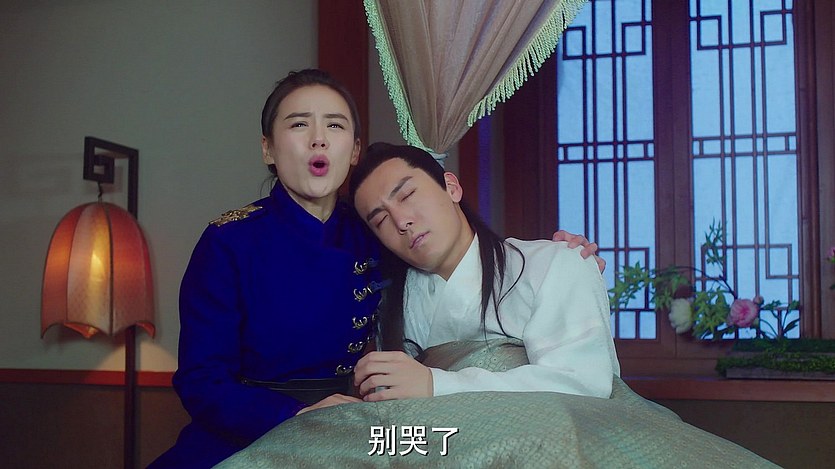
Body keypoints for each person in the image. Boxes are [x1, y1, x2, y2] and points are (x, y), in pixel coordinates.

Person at [151, 69, 602, 468]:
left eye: (335, 124)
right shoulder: (230, 240)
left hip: (365, 424)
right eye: (298, 124)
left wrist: (560, 258)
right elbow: (201, 380)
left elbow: (460, 255)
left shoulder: (373, 231)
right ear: (268, 148)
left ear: (353, 151)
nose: (318, 138)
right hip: (255, 428)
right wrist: (294, 415)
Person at [349, 143, 620, 402]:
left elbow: (582, 383)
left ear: (451, 187)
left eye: (407, 195)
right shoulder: (392, 307)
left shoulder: (554, 264)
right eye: (381, 220)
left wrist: (438, 384)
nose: (401, 221)